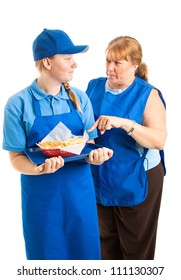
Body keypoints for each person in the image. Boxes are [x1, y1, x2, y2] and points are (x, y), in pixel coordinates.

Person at [2, 28, 113, 260]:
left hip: (80, 194)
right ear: (47, 62)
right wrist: (38, 168)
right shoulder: (18, 104)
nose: (75, 64)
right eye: (68, 58)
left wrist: (96, 156)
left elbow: (88, 145)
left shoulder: (80, 98)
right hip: (42, 199)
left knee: (86, 259)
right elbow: (15, 158)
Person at [86, 35, 167, 260]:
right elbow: (87, 129)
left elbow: (158, 140)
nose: (110, 68)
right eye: (107, 61)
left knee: (135, 250)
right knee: (106, 245)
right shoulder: (93, 87)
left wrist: (125, 123)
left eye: (117, 63)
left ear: (135, 66)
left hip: (137, 178)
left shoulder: (148, 94)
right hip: (101, 175)